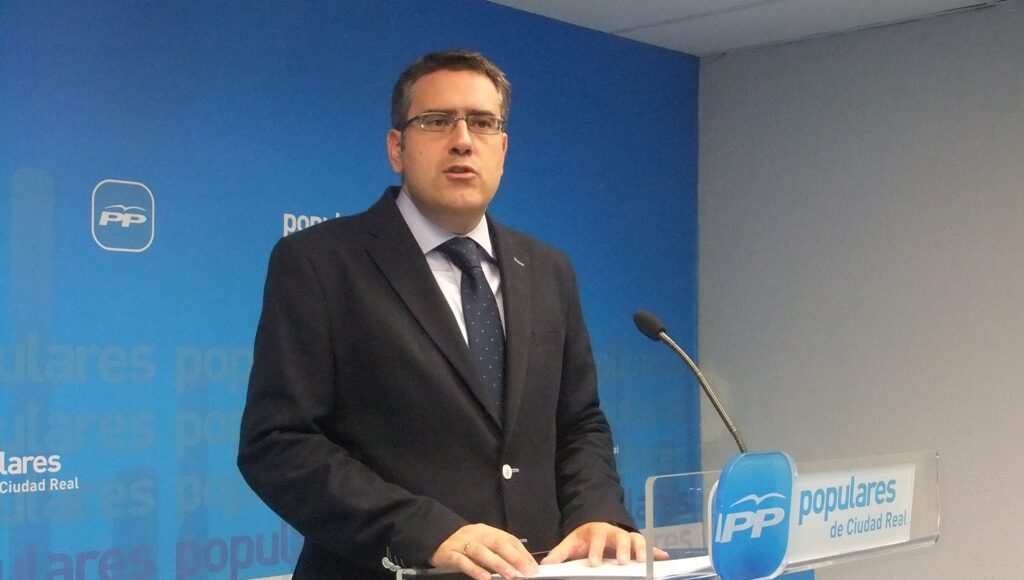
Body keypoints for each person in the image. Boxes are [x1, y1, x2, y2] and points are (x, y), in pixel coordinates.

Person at [238, 49, 661, 580]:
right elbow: (278, 444)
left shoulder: (548, 269)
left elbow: (579, 422)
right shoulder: (320, 263)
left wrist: (597, 510)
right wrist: (423, 531)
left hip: (535, 569)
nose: (463, 140)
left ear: (502, 149)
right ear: (397, 148)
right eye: (437, 121)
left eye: (482, 123)